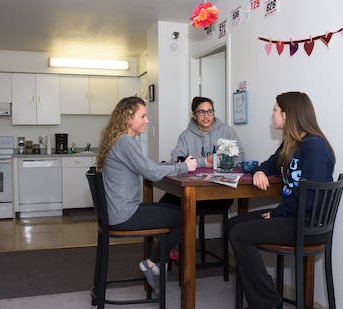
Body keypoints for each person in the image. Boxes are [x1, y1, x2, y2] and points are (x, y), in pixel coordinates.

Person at [228, 91, 336, 309]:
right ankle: (264, 288)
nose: (272, 115)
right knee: (233, 224)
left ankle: (264, 299)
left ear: (286, 115)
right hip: (291, 215)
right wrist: (259, 171)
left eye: (275, 110)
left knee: (239, 233)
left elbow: (310, 200)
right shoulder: (292, 144)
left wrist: (277, 213)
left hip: (305, 223)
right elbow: (270, 164)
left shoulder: (315, 148)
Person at [96, 96, 198, 291]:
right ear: (127, 118)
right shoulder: (125, 142)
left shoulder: (120, 140)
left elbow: (148, 167)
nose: (147, 120)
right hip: (125, 214)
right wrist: (183, 167)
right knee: (186, 215)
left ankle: (155, 263)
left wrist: (180, 166)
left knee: (175, 207)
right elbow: (150, 171)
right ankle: (153, 262)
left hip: (120, 211)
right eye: (142, 116)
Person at [159, 96, 245, 258]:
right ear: (194, 115)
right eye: (201, 112)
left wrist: (219, 161)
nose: (206, 116)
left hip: (219, 193)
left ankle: (168, 248)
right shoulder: (185, 135)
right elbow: (176, 159)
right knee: (165, 204)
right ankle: (170, 246)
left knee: (180, 207)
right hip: (192, 191)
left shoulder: (226, 131)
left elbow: (240, 158)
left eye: (210, 111)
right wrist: (203, 162)